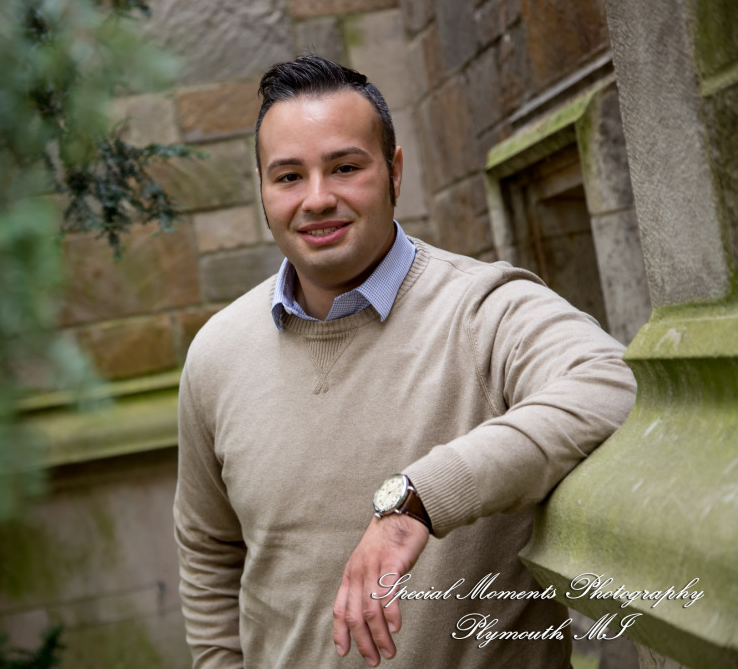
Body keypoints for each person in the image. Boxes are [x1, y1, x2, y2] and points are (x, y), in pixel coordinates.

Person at [173, 54, 636, 668]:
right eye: (288, 177)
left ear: (393, 172)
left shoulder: (483, 310)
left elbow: (612, 383)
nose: (317, 199)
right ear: (262, 188)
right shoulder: (215, 354)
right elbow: (208, 550)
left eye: (345, 168)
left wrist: (418, 499)